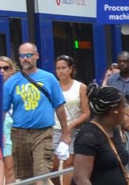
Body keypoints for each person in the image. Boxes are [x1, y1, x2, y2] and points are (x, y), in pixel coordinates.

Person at [3, 43, 69, 184]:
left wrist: (65, 133)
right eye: (22, 56)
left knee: (42, 174)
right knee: (26, 179)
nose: (25, 59)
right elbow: (3, 110)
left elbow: (59, 107)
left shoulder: (49, 78)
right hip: (19, 133)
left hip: (43, 133)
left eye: (29, 55)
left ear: (37, 56)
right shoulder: (11, 82)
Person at [72, 85, 129, 185]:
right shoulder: (88, 135)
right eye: (123, 106)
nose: (125, 111)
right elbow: (80, 179)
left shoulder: (114, 129)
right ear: (114, 110)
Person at [53, 55, 89, 185]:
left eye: (63, 68)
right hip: (54, 129)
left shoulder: (80, 87)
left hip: (74, 129)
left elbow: (86, 113)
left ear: (70, 69)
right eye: (58, 68)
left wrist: (71, 125)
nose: (61, 71)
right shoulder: (53, 86)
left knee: (69, 163)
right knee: (53, 165)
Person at [0, 56, 19, 183]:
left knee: (9, 168)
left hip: (14, 129)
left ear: (12, 70)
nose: (1, 71)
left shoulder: (18, 86)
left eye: (5, 68)